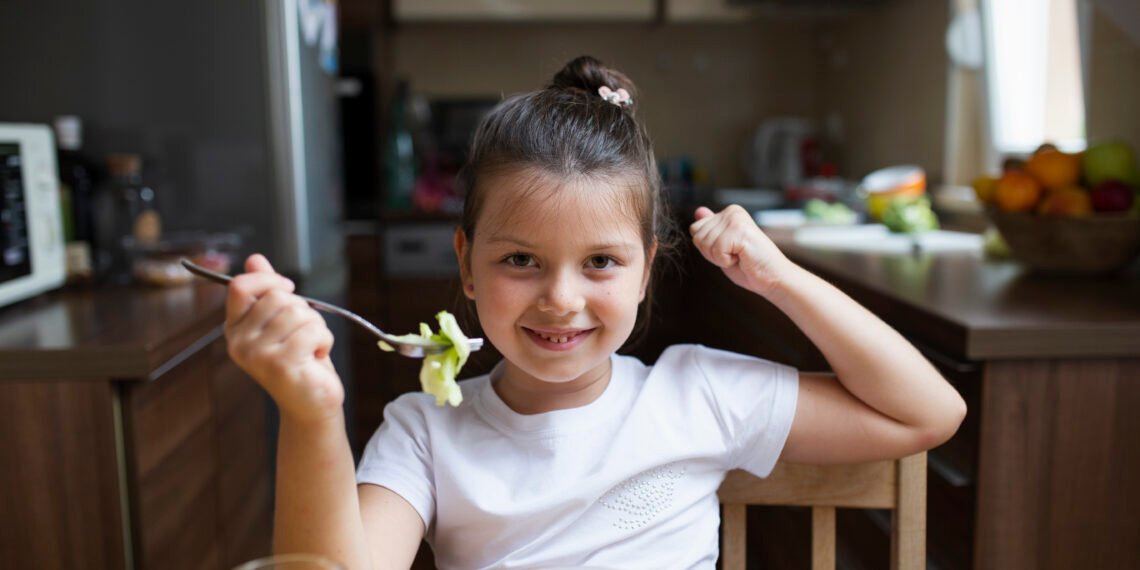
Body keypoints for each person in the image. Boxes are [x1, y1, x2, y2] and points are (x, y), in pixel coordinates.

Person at [224, 55, 967, 570]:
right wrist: (311, 411)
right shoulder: (424, 434)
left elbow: (927, 413)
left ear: (647, 268)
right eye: (520, 260)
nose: (561, 299)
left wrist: (781, 280)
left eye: (602, 263)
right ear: (466, 265)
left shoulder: (698, 396)